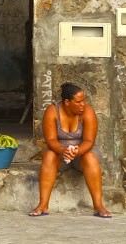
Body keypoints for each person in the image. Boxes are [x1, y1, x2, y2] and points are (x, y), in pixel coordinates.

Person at [28, 82, 112, 217]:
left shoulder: (88, 112)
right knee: (49, 155)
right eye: (78, 101)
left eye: (84, 100)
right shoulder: (52, 111)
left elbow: (89, 141)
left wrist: (77, 151)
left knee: (90, 157)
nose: (83, 104)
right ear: (67, 102)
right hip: (60, 153)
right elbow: (50, 141)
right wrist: (63, 150)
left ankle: (98, 206)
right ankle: (43, 205)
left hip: (82, 153)